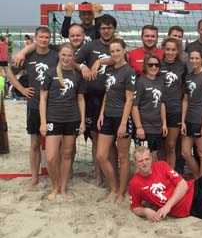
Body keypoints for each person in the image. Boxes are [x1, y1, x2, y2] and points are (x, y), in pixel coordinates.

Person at [7, 26, 58, 188]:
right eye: (41, 37)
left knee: (58, 144)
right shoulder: (28, 56)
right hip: (34, 105)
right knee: (35, 143)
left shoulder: (55, 55)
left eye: (47, 38)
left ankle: (57, 176)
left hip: (54, 105)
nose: (44, 40)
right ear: (36, 39)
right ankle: (34, 177)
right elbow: (8, 71)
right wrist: (21, 89)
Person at [39, 43, 86, 200]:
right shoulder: (50, 73)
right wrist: (43, 122)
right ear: (59, 55)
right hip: (53, 119)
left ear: (73, 57)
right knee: (51, 157)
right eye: (63, 55)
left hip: (72, 119)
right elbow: (43, 99)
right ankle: (55, 187)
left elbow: (80, 99)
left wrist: (82, 122)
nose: (66, 58)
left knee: (66, 155)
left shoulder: (76, 76)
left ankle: (63, 188)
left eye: (69, 55)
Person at [75, 14, 117, 185]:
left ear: (114, 29)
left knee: (111, 140)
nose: (106, 30)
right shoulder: (90, 45)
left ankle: (113, 175)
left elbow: (119, 57)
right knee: (96, 139)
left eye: (109, 27)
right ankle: (99, 176)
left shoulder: (117, 45)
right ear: (99, 30)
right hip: (92, 97)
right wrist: (83, 66)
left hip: (113, 98)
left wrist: (99, 61)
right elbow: (74, 61)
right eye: (103, 28)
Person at [96, 38, 135, 203]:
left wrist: (124, 122)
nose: (115, 54)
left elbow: (129, 100)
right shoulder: (109, 70)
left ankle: (121, 192)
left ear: (124, 50)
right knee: (101, 156)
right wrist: (101, 114)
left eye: (118, 50)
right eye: (112, 51)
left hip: (122, 118)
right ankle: (113, 187)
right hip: (108, 116)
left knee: (123, 157)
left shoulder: (129, 72)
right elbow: (107, 93)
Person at [181, 50, 202, 178]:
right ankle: (197, 176)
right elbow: (185, 100)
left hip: (200, 119)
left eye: (197, 58)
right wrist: (183, 121)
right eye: (192, 58)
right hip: (189, 118)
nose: (194, 60)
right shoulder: (188, 76)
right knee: (185, 152)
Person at [132, 55, 168, 160]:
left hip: (157, 127)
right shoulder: (140, 81)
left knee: (155, 157)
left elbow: (162, 103)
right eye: (150, 64)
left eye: (156, 65)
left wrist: (164, 123)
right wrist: (139, 127)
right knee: (143, 159)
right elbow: (134, 106)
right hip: (144, 127)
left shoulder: (160, 81)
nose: (153, 67)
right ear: (145, 66)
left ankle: (156, 176)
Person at [160, 38, 186, 168]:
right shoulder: (156, 64)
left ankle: (171, 172)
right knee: (159, 145)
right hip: (157, 109)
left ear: (178, 51)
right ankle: (159, 172)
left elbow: (186, 89)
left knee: (171, 145)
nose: (170, 52)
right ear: (163, 49)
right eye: (168, 49)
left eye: (173, 50)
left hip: (175, 110)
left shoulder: (182, 66)